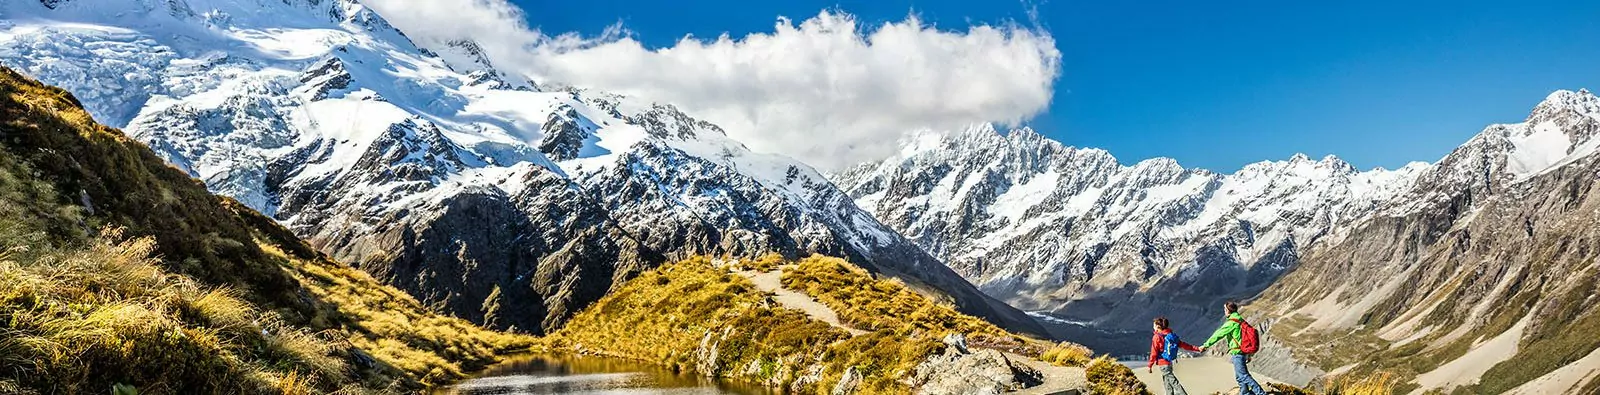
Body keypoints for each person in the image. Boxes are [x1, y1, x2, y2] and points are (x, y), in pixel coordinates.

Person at [1199, 301, 1267, 395]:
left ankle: (1261, 393)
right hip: (1242, 351)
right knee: (1239, 377)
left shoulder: (1231, 322)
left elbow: (1218, 334)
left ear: (1227, 310)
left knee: (1243, 376)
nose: (1224, 311)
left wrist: (1205, 345)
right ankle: (1245, 393)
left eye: (1224, 309)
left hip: (1237, 352)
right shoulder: (1240, 320)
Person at [1148, 317, 1200, 395]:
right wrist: (1197, 349)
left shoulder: (1157, 337)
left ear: (1158, 327)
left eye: (1154, 325)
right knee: (1167, 383)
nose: (1153, 327)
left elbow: (1154, 352)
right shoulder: (1171, 336)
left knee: (1173, 382)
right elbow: (1184, 345)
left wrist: (1150, 365)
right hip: (1169, 362)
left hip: (1163, 363)